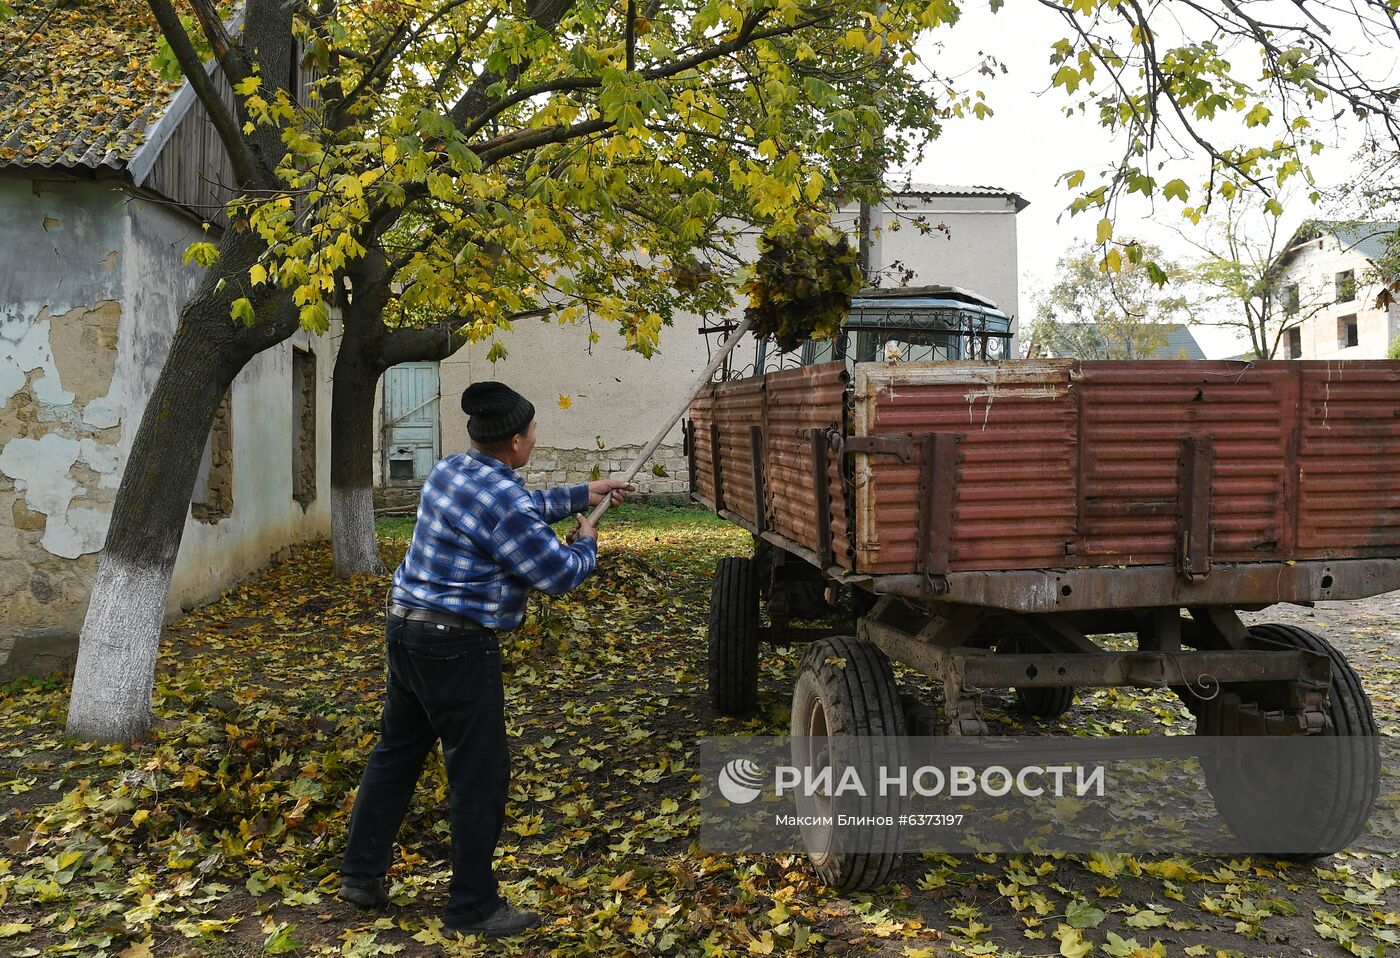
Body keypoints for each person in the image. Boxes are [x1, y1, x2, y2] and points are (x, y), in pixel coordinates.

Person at [338, 381, 633, 937]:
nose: (536, 439)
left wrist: (584, 491)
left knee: (396, 755)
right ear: (517, 441)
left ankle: (360, 875)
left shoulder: (452, 469)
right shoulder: (504, 502)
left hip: (406, 630)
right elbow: (557, 574)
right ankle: (472, 907)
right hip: (455, 647)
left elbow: (517, 509)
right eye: (534, 432)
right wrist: (586, 541)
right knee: (480, 776)